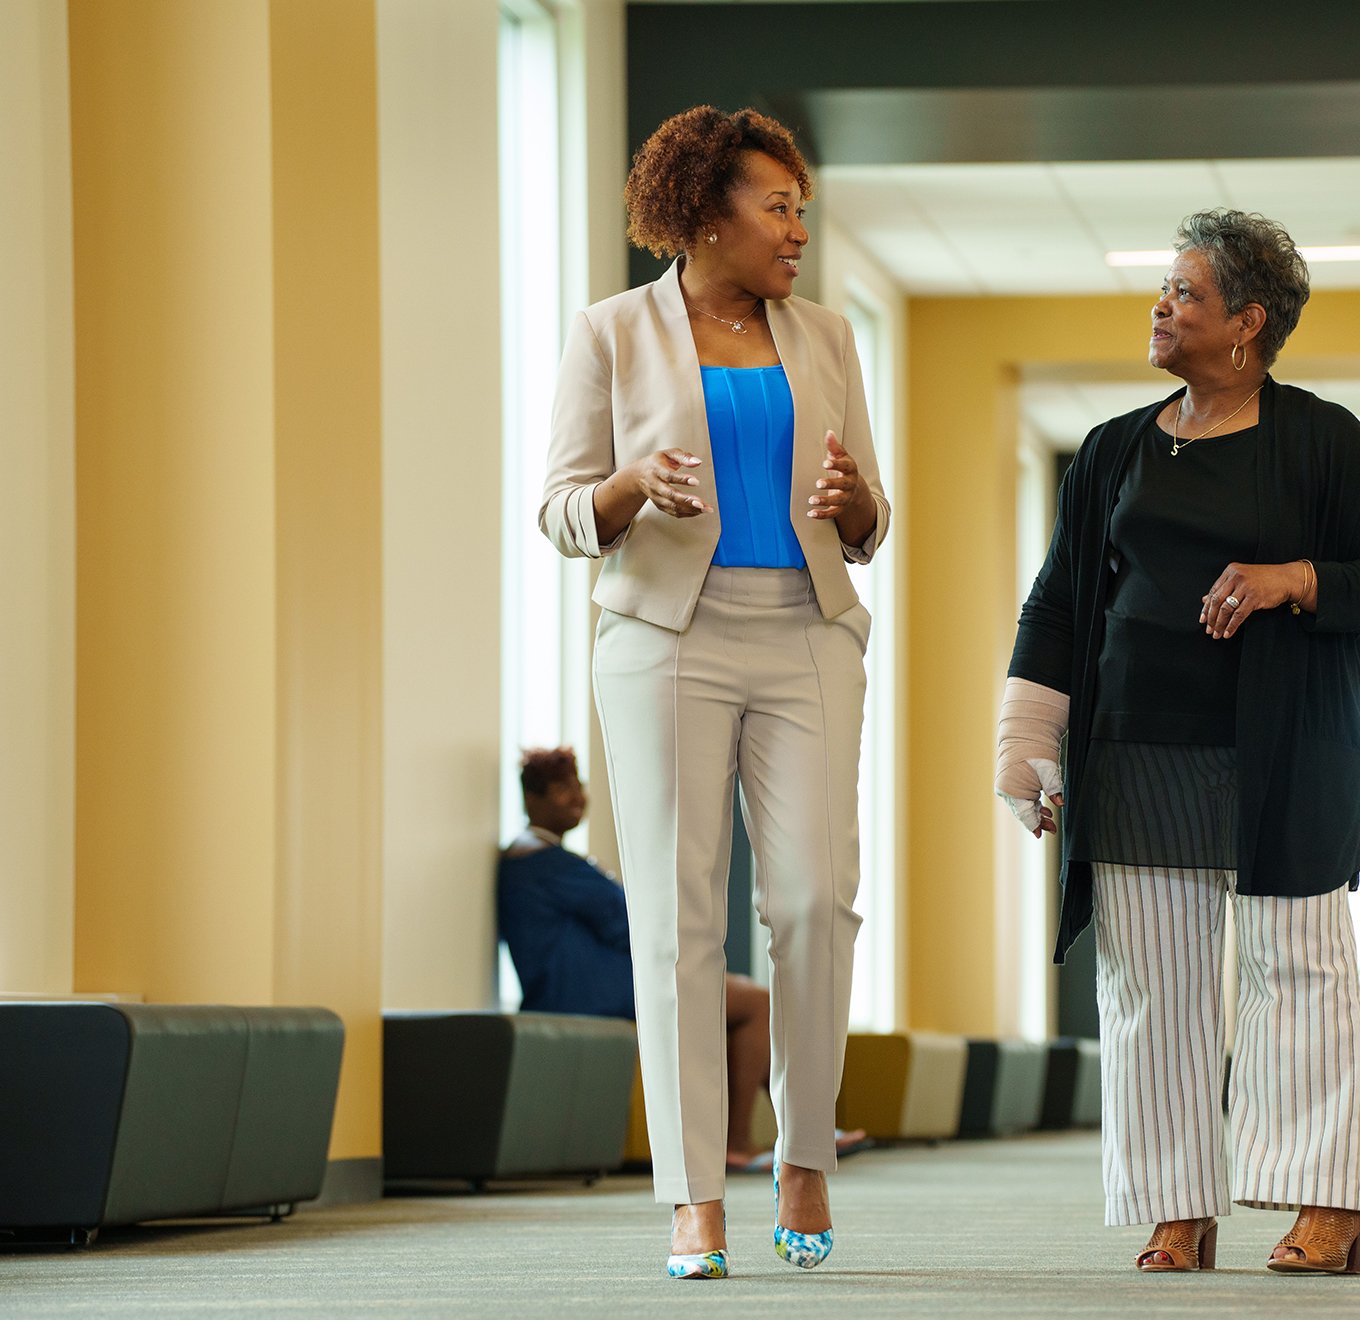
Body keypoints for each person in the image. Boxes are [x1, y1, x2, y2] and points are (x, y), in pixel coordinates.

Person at [998, 208, 1360, 1276]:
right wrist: (1026, 744)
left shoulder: (1321, 439)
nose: (1161, 305)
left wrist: (1293, 580)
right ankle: (1177, 1207)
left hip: (1277, 747)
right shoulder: (1112, 452)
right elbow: (1055, 607)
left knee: (1298, 970)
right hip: (1134, 748)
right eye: (1164, 289)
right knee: (1151, 988)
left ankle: (1327, 1200)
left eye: (1185, 292)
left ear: (1247, 323)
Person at [540, 106, 888, 1280]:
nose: (798, 228)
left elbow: (873, 515)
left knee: (811, 900)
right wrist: (634, 484)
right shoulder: (610, 334)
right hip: (664, 641)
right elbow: (561, 511)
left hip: (806, 632)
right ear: (704, 213)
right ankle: (693, 1196)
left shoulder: (828, 337)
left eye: (803, 208)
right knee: (679, 918)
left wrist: (855, 507)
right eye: (776, 206)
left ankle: (802, 1160)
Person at [500, 747, 779, 1171]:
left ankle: (789, 1131)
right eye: (561, 789)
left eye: (578, 786)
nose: (576, 797)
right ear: (531, 800)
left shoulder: (534, 858)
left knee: (731, 1000)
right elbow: (627, 923)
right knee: (755, 1002)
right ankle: (743, 1141)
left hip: (582, 986)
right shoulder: (543, 863)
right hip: (585, 992)